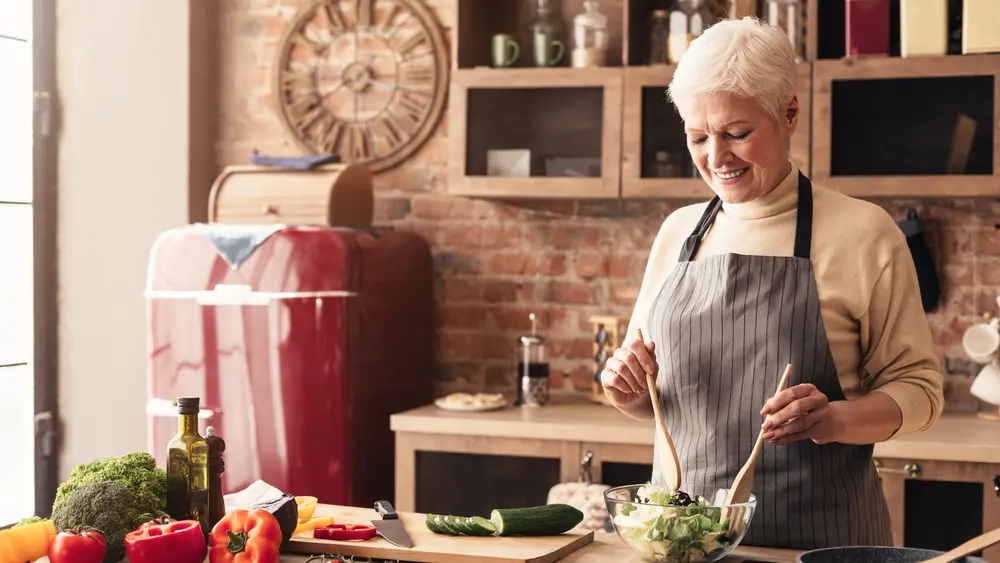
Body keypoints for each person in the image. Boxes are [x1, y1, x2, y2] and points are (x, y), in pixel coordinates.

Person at [601, 17, 944, 550]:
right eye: (698, 137)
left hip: (822, 546)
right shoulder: (677, 233)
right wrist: (625, 389)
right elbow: (658, 396)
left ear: (789, 113)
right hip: (683, 544)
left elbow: (920, 392)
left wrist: (833, 419)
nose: (716, 158)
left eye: (737, 133)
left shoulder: (863, 233)